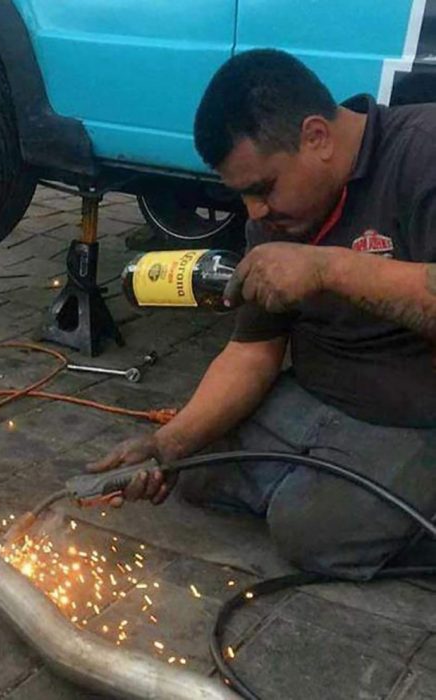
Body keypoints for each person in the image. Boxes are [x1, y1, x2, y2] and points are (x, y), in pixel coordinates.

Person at [88, 49, 436, 580]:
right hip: (314, 396)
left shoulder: (422, 155)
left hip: (413, 416)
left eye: (262, 189)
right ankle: (324, 482)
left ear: (316, 136)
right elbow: (252, 350)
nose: (254, 212)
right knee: (194, 471)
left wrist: (327, 269)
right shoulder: (277, 219)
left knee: (308, 532)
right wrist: (167, 443)